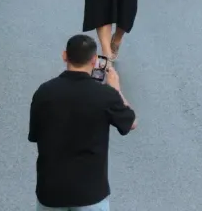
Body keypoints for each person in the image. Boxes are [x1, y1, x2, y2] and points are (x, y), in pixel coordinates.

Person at [28, 34, 137, 211]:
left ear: (64, 56)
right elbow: (130, 122)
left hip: (51, 190)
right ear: (94, 61)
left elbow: (34, 135)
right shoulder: (105, 95)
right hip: (91, 193)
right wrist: (116, 89)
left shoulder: (44, 92)